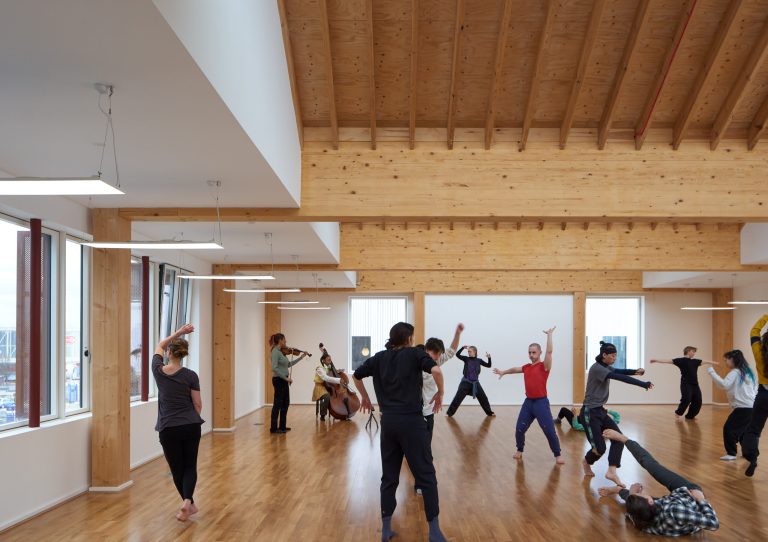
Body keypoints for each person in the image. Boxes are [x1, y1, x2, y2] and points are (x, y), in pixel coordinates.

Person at [352, 322, 448, 542]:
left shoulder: (379, 357)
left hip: (389, 424)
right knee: (426, 475)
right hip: (412, 423)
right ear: (409, 339)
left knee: (389, 477)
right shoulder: (415, 354)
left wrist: (365, 397)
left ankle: (386, 529)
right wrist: (441, 392)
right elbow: (436, 369)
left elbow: (356, 375)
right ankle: (434, 532)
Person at [598, 429, 720, 536]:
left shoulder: (642, 521)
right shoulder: (675, 511)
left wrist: (633, 493)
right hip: (690, 493)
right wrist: (700, 499)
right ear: (650, 501)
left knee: (632, 502)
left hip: (670, 503)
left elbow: (633, 506)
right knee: (651, 465)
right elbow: (713, 524)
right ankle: (623, 438)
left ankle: (617, 489)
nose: (641, 490)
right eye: (641, 493)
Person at [580, 341, 653, 488]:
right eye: (612, 355)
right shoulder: (597, 369)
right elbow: (620, 377)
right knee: (599, 449)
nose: (614, 358)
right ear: (604, 355)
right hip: (589, 413)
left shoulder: (605, 366)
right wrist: (643, 384)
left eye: (615, 355)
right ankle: (586, 462)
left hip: (600, 410)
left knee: (619, 439)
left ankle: (612, 471)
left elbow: (619, 371)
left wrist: (634, 371)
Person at [152, 323, 204, 522]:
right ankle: (188, 502)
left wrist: (180, 332)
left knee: (177, 469)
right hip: (191, 425)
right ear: (184, 354)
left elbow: (159, 345)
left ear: (170, 352)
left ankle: (186, 502)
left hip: (168, 428)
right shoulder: (191, 375)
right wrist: (194, 419)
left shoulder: (158, 371)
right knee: (190, 466)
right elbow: (198, 404)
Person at [493, 327, 563, 464]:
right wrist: (503, 372)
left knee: (549, 431)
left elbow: (550, 351)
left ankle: (557, 454)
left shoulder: (544, 366)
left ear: (540, 353)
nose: (531, 355)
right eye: (529, 352)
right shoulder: (527, 367)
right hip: (528, 403)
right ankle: (519, 450)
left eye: (534, 352)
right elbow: (514, 369)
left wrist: (549, 335)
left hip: (541, 403)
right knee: (519, 429)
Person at [414, 323, 464, 495]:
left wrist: (457, 333)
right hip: (412, 414)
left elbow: (452, 350)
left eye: (439, 356)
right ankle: (420, 480)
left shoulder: (437, 360)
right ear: (429, 351)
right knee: (417, 450)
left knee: (426, 449)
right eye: (437, 355)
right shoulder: (414, 361)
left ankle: (422, 482)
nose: (438, 359)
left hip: (428, 412)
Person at [705, 349, 757, 460]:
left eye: (727, 360)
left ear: (733, 359)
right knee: (743, 432)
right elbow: (754, 388)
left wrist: (711, 372)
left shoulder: (735, 372)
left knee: (729, 428)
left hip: (743, 408)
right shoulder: (748, 372)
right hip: (752, 407)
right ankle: (748, 453)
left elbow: (724, 385)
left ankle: (731, 453)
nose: (726, 362)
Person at [649, 346, 716, 420]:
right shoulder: (680, 360)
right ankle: (678, 412)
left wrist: (715, 363)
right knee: (687, 398)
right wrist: (656, 360)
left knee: (698, 400)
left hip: (695, 384)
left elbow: (706, 361)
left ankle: (690, 416)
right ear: (688, 351)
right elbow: (668, 361)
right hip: (686, 384)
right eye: (693, 351)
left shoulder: (695, 361)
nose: (694, 353)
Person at [742, 313, 768, 476]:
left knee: (753, 430)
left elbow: (754, 332)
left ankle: (752, 457)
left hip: (764, 396)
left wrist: (766, 316)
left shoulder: (759, 353)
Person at [269, 333, 307, 434]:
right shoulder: (275, 352)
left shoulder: (281, 353)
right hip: (279, 380)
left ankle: (282, 427)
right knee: (277, 404)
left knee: (285, 403)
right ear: (280, 340)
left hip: (284, 380)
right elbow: (274, 368)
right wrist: (286, 379)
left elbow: (289, 364)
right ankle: (273, 428)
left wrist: (301, 357)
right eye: (284, 340)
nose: (286, 342)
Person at [445, 344, 494, 417]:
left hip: (475, 383)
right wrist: (462, 348)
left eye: (470, 351)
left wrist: (489, 358)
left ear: (475, 352)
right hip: (465, 382)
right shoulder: (466, 359)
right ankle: (449, 413)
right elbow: (457, 355)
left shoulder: (479, 360)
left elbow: (489, 365)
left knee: (483, 398)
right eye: (468, 351)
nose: (468, 353)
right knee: (458, 398)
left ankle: (489, 413)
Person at [312, 352, 343, 421]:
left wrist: (337, 371)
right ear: (323, 360)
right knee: (327, 396)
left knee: (334, 395)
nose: (330, 361)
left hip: (326, 386)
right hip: (319, 387)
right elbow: (326, 378)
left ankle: (337, 412)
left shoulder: (328, 367)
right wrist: (339, 380)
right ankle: (322, 415)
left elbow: (329, 373)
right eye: (328, 360)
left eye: (330, 360)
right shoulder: (319, 368)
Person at [555, 406, 620, 431]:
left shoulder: (592, 426)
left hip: (576, 421)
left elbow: (576, 426)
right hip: (582, 417)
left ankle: (558, 420)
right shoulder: (611, 423)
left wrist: (574, 415)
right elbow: (617, 416)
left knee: (563, 409)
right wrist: (606, 410)